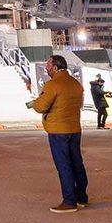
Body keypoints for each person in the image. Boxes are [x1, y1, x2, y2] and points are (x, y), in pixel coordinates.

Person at [30, 55, 88, 212]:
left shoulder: (52, 85)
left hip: (58, 131)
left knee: (64, 166)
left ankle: (69, 202)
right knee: (77, 163)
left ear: (55, 68)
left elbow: (41, 106)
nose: (46, 69)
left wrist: (35, 102)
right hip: (74, 129)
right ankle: (82, 197)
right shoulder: (75, 83)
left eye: (48, 66)